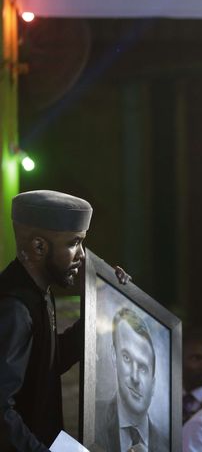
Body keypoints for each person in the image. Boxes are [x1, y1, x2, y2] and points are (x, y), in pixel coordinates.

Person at [0, 190, 129, 451]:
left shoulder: (38, 294)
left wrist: (104, 305)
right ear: (39, 247)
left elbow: (46, 363)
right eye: (74, 243)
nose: (82, 255)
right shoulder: (14, 307)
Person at [95, 307, 168, 452]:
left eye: (143, 368)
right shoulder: (92, 419)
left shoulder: (167, 444)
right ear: (114, 356)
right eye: (127, 358)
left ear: (153, 385)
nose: (135, 377)